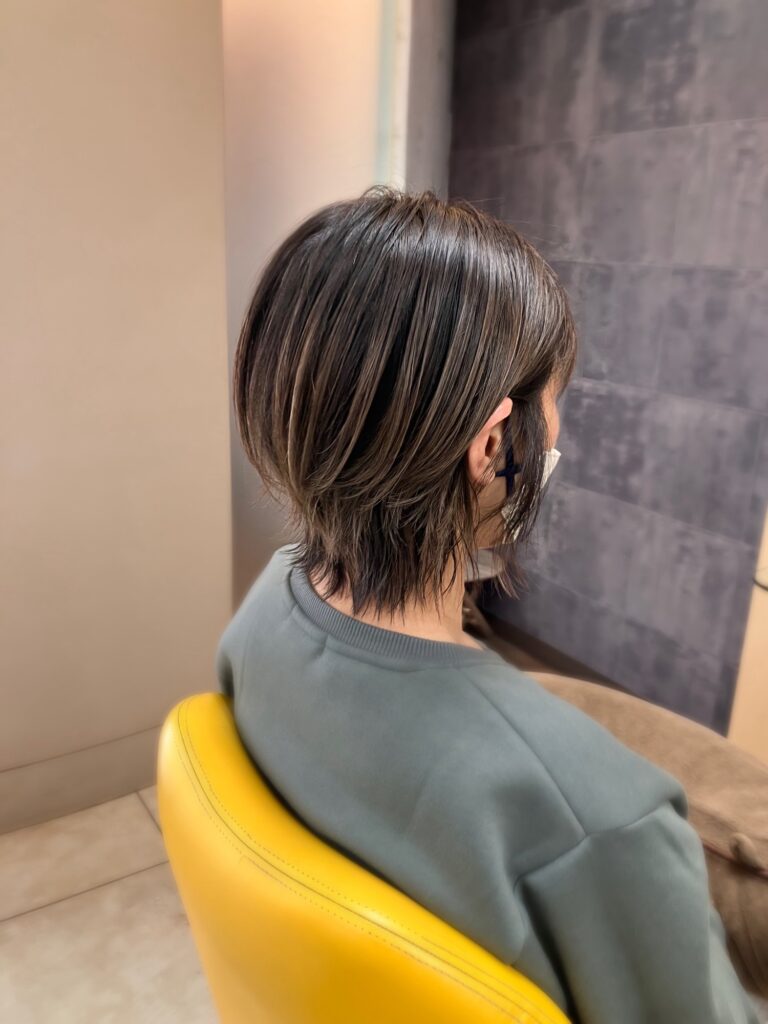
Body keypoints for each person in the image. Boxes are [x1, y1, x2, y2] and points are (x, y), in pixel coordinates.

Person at [215, 186, 760, 1023]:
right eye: (556, 402)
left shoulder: (263, 614)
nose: (559, 433)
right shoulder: (602, 826)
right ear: (495, 447)